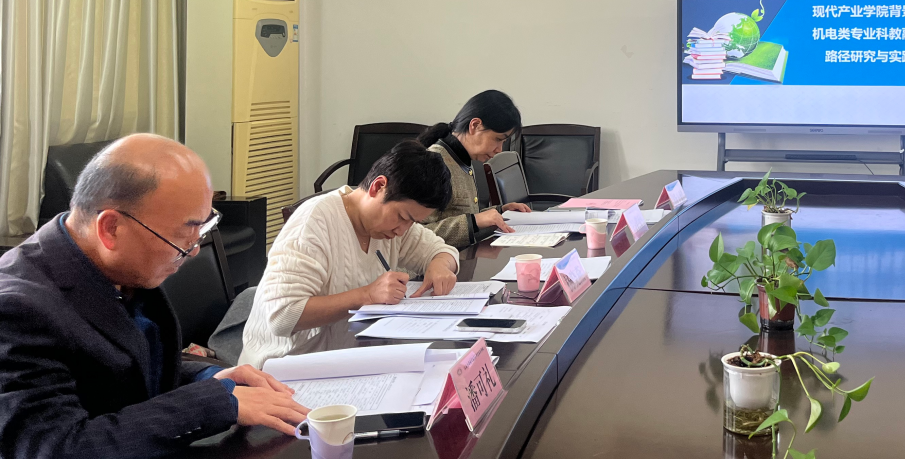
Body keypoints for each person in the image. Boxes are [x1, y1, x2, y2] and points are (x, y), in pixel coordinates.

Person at [0, 134, 309, 459]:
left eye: (202, 227)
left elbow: (122, 373)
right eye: (182, 235)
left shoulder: (117, 262)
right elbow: (59, 447)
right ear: (111, 228)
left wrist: (208, 379)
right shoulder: (17, 310)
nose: (193, 250)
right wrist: (211, 404)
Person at [240, 141, 460, 367]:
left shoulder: (389, 226)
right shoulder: (315, 223)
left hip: (347, 361)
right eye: (403, 217)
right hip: (287, 368)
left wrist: (440, 265)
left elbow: (442, 250)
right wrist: (366, 296)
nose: (402, 230)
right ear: (378, 187)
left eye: (413, 222)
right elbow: (282, 315)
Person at [417, 90, 531, 248]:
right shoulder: (433, 164)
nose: (499, 149)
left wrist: (500, 211)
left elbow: (458, 216)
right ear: (475, 125)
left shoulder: (461, 159)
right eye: (498, 139)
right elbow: (414, 235)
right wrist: (475, 221)